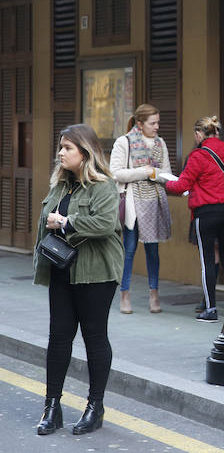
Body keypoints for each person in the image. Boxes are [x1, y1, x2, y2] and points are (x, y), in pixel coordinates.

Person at [34, 124, 124, 436]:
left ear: (85, 153)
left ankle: (95, 406)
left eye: (67, 148)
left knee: (94, 337)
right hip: (62, 270)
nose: (60, 153)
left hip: (96, 273)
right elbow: (46, 221)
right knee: (58, 338)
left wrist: (67, 222)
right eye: (61, 147)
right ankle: (52, 406)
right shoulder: (60, 185)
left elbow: (104, 223)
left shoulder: (104, 185)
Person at [164, 116, 224, 323]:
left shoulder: (197, 156)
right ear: (217, 132)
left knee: (207, 261)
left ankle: (211, 309)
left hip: (205, 214)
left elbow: (180, 186)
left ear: (198, 135)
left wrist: (162, 183)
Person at [109, 104, 172, 315]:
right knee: (128, 250)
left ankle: (154, 294)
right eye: (152, 123)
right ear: (140, 123)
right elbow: (115, 173)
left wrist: (158, 175)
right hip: (133, 204)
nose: (157, 127)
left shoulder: (160, 143)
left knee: (153, 252)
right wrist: (144, 172)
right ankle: (124, 295)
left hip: (154, 202)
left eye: (158, 123)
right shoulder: (124, 142)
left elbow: (166, 173)